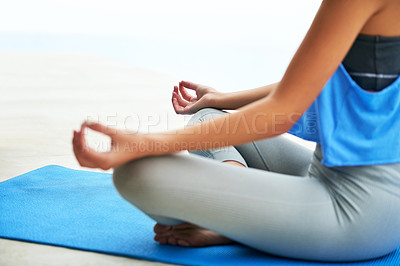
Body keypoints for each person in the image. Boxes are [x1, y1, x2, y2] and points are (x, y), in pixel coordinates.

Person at [73, 0, 400, 262]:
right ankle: (238, 206)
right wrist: (219, 98)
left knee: (137, 172)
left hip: (356, 212)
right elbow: (310, 87)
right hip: (331, 177)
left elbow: (282, 112)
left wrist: (147, 143)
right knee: (208, 116)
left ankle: (231, 220)